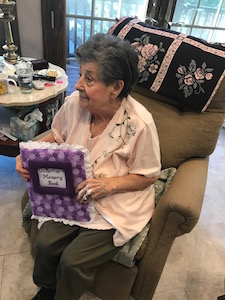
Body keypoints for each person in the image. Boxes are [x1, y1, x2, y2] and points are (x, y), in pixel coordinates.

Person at [16, 33, 161, 300]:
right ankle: (47, 288)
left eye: (89, 78)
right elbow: (56, 136)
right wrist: (27, 154)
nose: (78, 84)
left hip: (118, 202)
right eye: (81, 74)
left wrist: (108, 184)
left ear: (116, 87)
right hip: (77, 194)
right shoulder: (74, 105)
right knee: (45, 244)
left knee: (73, 261)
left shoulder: (139, 124)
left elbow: (149, 175)